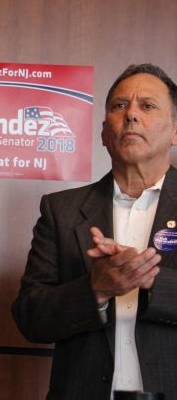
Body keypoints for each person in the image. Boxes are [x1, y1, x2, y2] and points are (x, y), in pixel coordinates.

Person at [12, 63, 177, 399]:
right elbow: (31, 318)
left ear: (175, 130)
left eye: (147, 106)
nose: (131, 115)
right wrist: (96, 288)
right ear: (104, 132)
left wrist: (148, 279)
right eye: (119, 106)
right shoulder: (61, 211)